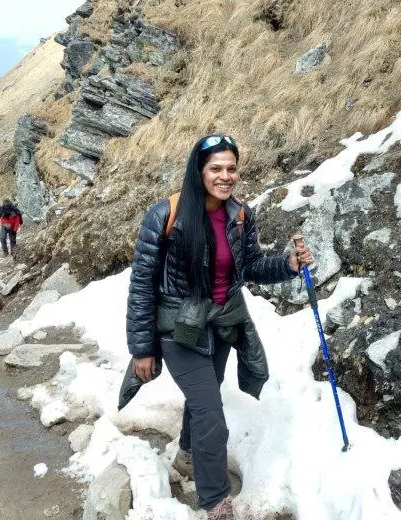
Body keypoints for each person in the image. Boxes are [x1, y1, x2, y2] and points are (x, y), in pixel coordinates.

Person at [126, 135, 313, 519]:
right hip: (178, 329)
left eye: (231, 168)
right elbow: (142, 284)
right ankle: (216, 502)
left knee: (203, 399)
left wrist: (288, 264)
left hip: (222, 324)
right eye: (216, 168)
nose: (225, 176)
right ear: (198, 170)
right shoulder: (164, 217)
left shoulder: (240, 216)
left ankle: (186, 457)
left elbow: (251, 267)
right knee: (210, 410)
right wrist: (142, 348)